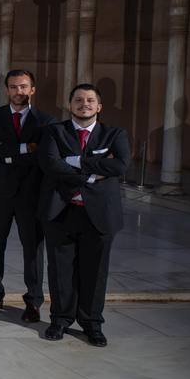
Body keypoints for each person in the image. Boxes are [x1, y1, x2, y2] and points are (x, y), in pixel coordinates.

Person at [38, 84, 128, 347]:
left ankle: (92, 323)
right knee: (60, 270)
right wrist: (94, 170)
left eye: (90, 100)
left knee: (96, 271)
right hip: (61, 210)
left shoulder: (115, 134)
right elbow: (50, 164)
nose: (84, 104)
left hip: (100, 214)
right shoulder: (54, 132)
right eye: (78, 100)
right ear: (70, 105)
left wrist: (75, 161)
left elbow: (120, 165)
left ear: (99, 106)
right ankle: (60, 319)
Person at [0, 69, 54, 320]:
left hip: (31, 193)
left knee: (33, 248)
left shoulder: (46, 121)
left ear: (32, 89)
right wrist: (23, 148)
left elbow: (43, 156)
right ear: (7, 90)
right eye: (13, 87)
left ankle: (33, 301)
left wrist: (7, 153)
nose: (18, 91)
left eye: (23, 87)